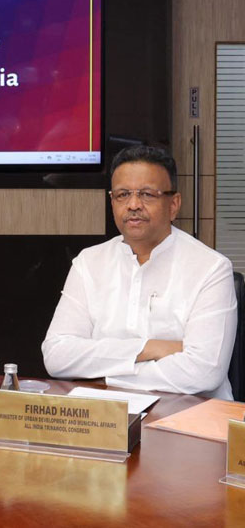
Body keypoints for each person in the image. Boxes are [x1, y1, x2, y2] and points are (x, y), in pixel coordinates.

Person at [42, 145, 237, 398]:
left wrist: (104, 375)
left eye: (147, 194)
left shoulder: (211, 268)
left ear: (174, 205)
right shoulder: (88, 263)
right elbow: (57, 356)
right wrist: (149, 348)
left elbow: (204, 371)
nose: (133, 205)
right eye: (122, 195)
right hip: (105, 413)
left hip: (190, 415)